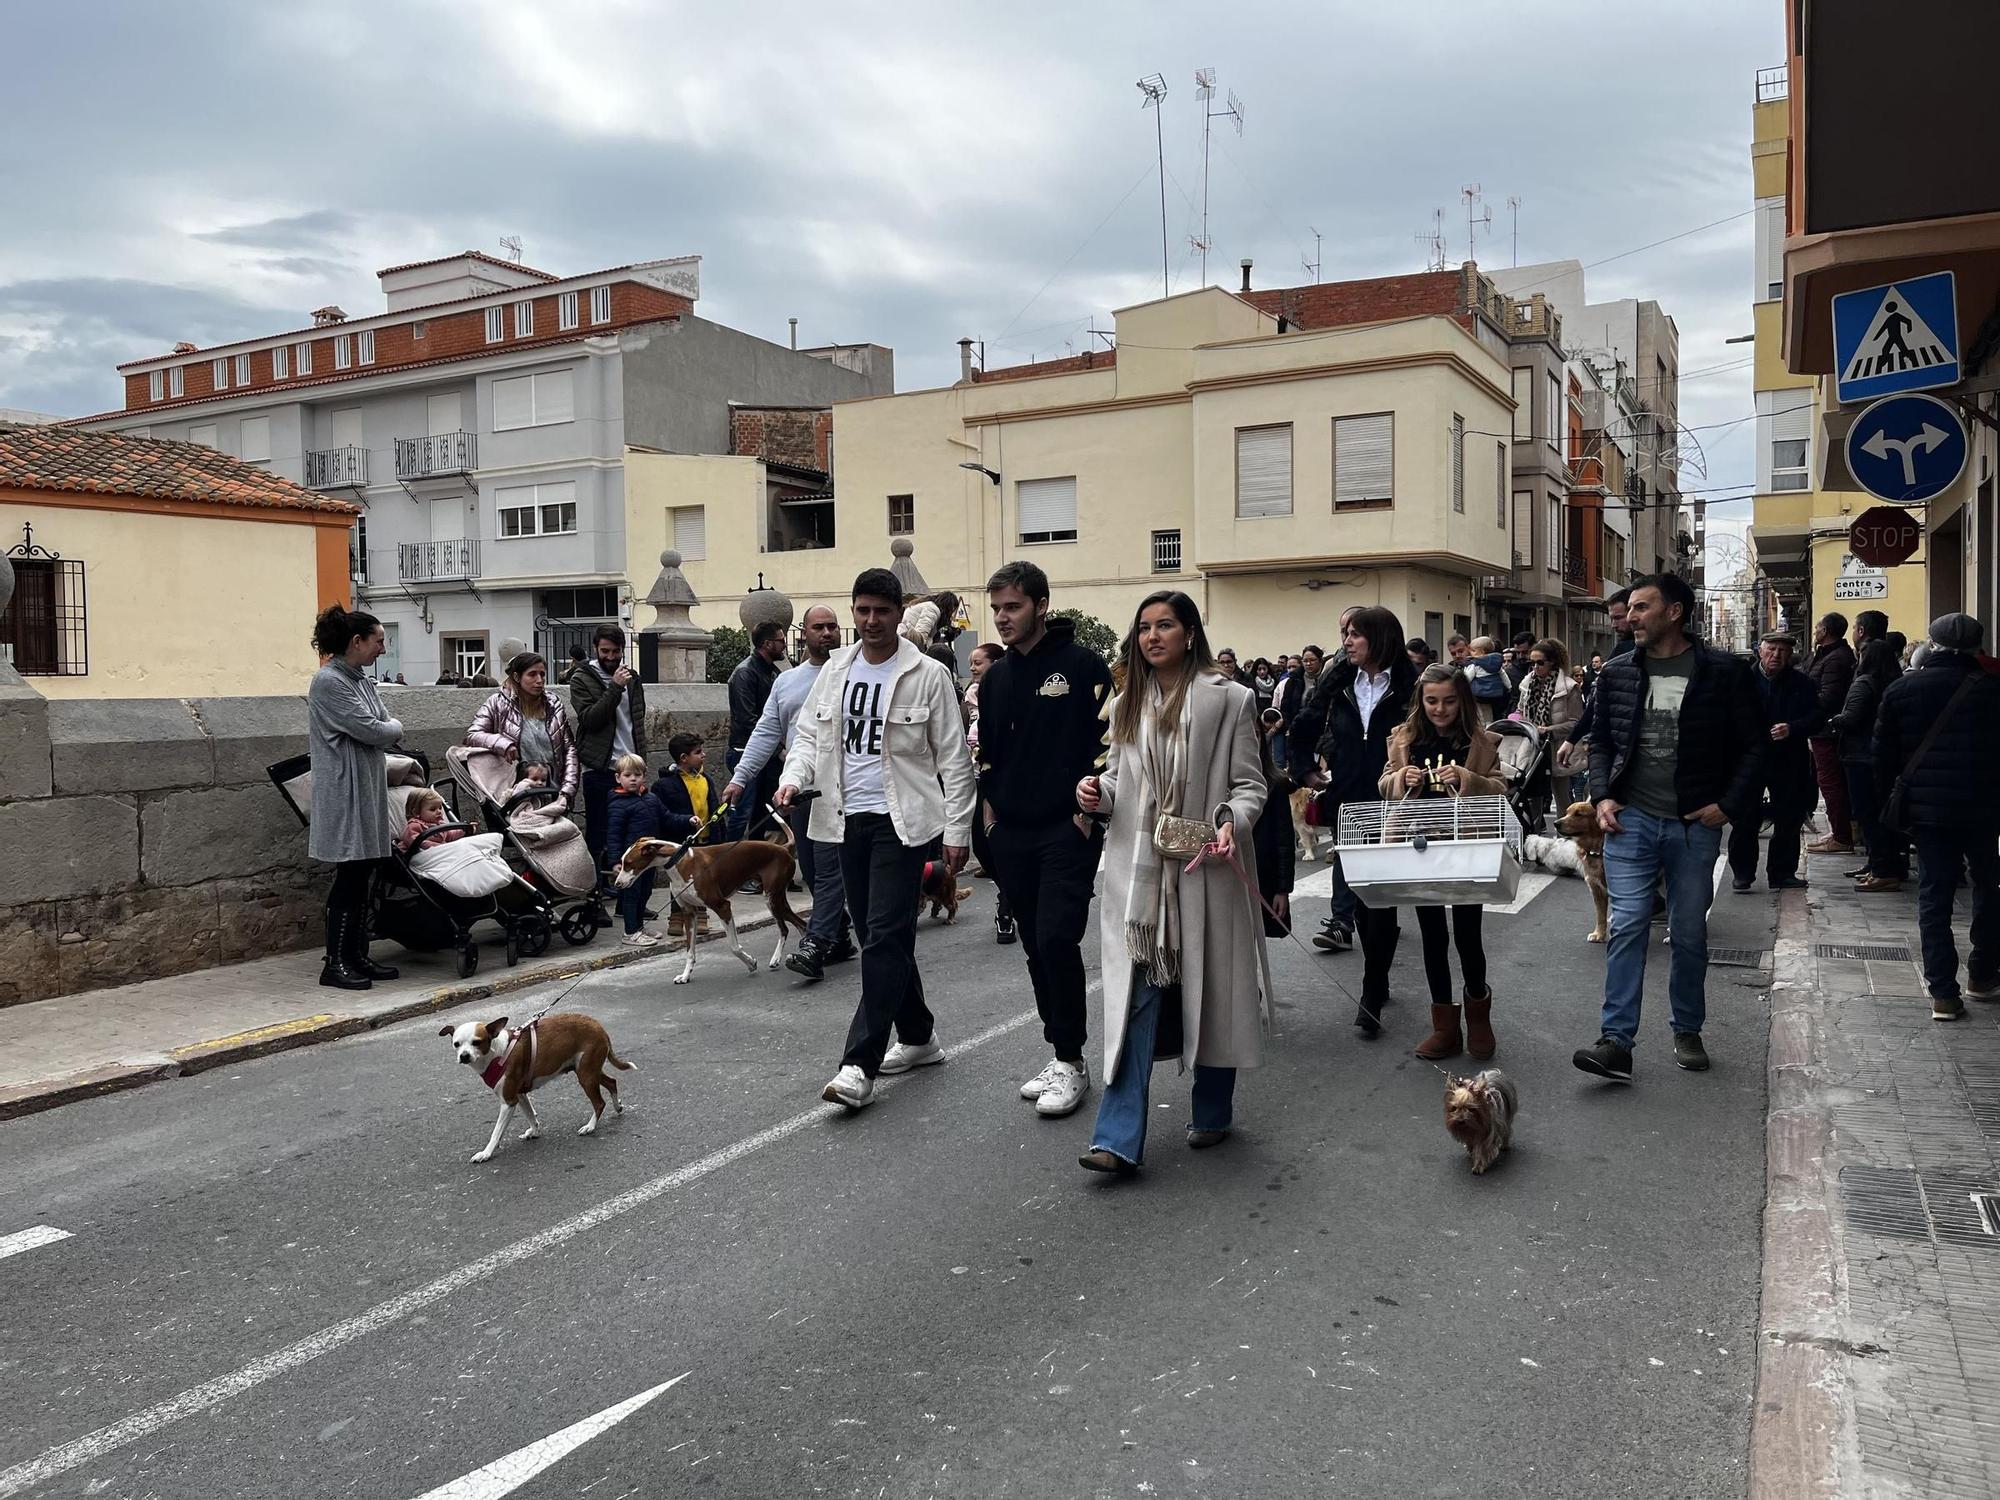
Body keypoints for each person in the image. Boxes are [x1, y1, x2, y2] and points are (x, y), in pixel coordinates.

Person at [1074, 590, 1270, 1173]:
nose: (1152, 637)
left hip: (1204, 864)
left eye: (1165, 626)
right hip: (1141, 876)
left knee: (1212, 990)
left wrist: (1233, 821)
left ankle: (1211, 1109)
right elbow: (1118, 781)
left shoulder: (1231, 698)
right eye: (1143, 629)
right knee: (1138, 996)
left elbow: (1250, 785)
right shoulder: (1127, 699)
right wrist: (1097, 794)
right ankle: (1116, 1137)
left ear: (1190, 632)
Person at [777, 568, 977, 1111]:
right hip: (842, 821)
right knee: (875, 937)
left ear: (899, 614)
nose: (870, 622)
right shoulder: (834, 670)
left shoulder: (927, 674)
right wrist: (792, 778)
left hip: (903, 823)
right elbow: (808, 736)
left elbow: (955, 760)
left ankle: (857, 1065)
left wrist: (959, 830)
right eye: (861, 611)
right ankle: (918, 1037)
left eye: (881, 612)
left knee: (886, 936)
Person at [1575, 575, 1762, 1082]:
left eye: (1641, 607)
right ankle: (1615, 1042)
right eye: (1629, 609)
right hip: (1630, 821)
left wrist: (1729, 804)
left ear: (1675, 612)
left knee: (1686, 933)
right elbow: (1602, 743)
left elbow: (1754, 745)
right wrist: (1603, 795)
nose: (1630, 617)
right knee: (1628, 924)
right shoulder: (1617, 673)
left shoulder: (1724, 672)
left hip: (1693, 826)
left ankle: (1687, 1028)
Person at [975, 561, 1116, 1117]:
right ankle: (1062, 1055)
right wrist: (989, 817)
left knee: (1058, 937)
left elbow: (1109, 742)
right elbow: (987, 755)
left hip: (1068, 828)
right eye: (997, 610)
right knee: (1035, 943)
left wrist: (1090, 805)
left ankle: (1074, 1061)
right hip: (1010, 832)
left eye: (1012, 607)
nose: (1003, 618)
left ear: (1040, 605)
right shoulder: (996, 678)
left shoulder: (1083, 667)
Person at [1872, 613, 2000, 1021]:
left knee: (1935, 895)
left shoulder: (1902, 690)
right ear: (1978, 647)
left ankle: (1943, 993)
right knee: (1988, 886)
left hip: (1928, 813)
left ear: (1933, 645)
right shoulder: (1994, 690)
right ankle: (1982, 973)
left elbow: (1882, 758)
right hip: (1985, 808)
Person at [1380, 663, 1504, 1059]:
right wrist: (1402, 779)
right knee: (1433, 937)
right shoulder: (1404, 738)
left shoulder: (1480, 741)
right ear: (1421, 701)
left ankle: (1479, 1017)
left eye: (1449, 701)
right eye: (1432, 701)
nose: (1440, 709)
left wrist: (1468, 778)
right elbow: (1384, 783)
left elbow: (1500, 788)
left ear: (1462, 701)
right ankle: (1444, 1027)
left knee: (1469, 935)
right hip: (1418, 848)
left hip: (1467, 847)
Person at [726, 605, 855, 980]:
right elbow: (766, 732)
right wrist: (740, 778)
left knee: (830, 871)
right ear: (804, 634)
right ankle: (841, 935)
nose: (827, 632)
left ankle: (816, 942)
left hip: (841, 792)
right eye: (819, 627)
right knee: (813, 871)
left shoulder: (853, 675)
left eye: (833, 626)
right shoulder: (787, 682)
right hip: (798, 792)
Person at [1315, 606, 1417, 1034]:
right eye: (1345, 634)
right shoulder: (1339, 679)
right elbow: (1319, 722)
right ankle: (1380, 971)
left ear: (1378, 638)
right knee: (1358, 893)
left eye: (1355, 634)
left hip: (1391, 800)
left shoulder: (1410, 684)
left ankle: (1371, 989)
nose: (1347, 641)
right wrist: (1324, 761)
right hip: (1348, 799)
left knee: (1382, 898)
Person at [307, 606, 404, 991]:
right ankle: (335, 962)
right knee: (349, 875)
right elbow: (375, 728)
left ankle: (357, 954)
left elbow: (381, 723)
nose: (383, 648)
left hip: (365, 785)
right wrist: (389, 727)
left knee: (365, 873)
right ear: (356, 642)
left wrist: (386, 727)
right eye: (378, 640)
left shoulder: (359, 680)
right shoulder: (329, 682)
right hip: (345, 789)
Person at [1729, 633, 1823, 893]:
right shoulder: (1742, 680)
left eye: (1783, 650)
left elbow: (1817, 717)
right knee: (1745, 816)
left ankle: (1782, 873)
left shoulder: (1802, 683)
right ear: (1760, 650)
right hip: (1749, 757)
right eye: (1771, 649)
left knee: (1789, 817)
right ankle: (1743, 873)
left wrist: (1793, 728)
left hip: (1788, 757)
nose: (1777, 655)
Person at [568, 624, 647, 892]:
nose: (611, 657)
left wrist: (640, 760)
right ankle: (596, 890)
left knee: (631, 833)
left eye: (616, 652)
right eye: (605, 651)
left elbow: (637, 721)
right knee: (600, 831)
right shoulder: (582, 678)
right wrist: (613, 688)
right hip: (600, 768)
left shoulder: (633, 678)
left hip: (630, 767)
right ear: (595, 649)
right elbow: (590, 719)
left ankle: (628, 893)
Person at [1832, 637, 1908, 892]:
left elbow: (1851, 718)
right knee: (1884, 813)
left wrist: (1833, 722)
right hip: (1888, 757)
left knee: (1867, 814)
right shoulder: (1897, 683)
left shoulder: (1863, 683)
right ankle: (1884, 865)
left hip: (1860, 756)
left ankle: (1882, 869)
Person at [466, 651, 580, 810]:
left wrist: (567, 791)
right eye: (532, 674)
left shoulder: (554, 704)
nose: (539, 680)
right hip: (517, 796)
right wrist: (504, 744)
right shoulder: (497, 703)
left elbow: (569, 750)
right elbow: (473, 734)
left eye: (542, 674)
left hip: (553, 793)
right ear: (517, 677)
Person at [963, 640, 1016, 942]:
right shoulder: (971, 695)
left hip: (1004, 776)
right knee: (981, 846)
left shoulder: (1010, 689)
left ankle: (1007, 906)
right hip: (976, 777)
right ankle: (1009, 891)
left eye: (978, 662)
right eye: (970, 662)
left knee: (1002, 840)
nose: (972, 667)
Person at [725, 620, 788, 842]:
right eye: (781, 641)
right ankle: (730, 867)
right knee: (742, 814)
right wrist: (778, 749)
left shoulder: (773, 672)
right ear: (767, 643)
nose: (785, 645)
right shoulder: (745, 673)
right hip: (745, 751)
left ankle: (755, 864)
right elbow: (747, 721)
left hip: (767, 752)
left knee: (762, 812)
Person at [1804, 612, 1857, 855]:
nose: (1815, 631)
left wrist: (1801, 702)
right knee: (1830, 782)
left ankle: (1842, 837)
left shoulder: (1835, 659)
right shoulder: (1826, 655)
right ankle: (1840, 831)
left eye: (1817, 628)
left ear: (1825, 631)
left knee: (1831, 783)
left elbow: (1829, 697)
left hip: (1827, 730)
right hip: (1822, 728)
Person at [605, 753, 672, 947]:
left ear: (644, 776)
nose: (633, 779)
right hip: (631, 861)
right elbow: (614, 835)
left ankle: (640, 927)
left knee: (645, 892)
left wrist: (687, 820)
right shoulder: (618, 805)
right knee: (631, 895)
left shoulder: (651, 798)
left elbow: (667, 817)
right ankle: (630, 931)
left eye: (637, 774)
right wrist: (616, 861)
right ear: (618, 778)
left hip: (649, 858)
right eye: (627, 775)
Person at [1519, 638, 1580, 809]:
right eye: (1532, 663)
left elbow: (1576, 724)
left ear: (1552, 662)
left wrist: (1548, 730)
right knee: (1531, 795)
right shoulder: (1527, 684)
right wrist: (1517, 721)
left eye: (1540, 663)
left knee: (1561, 797)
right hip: (1532, 746)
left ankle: (1566, 833)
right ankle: (1534, 833)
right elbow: (1520, 710)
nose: (1535, 667)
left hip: (1556, 748)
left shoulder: (1569, 687)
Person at [1252, 708, 1296, 939]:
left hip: (1264, 879)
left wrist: (1283, 889)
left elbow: (1284, 840)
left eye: (1256, 735)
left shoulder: (1275, 783)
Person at [652, 732, 728, 846]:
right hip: (682, 845)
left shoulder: (706, 779)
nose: (703, 755)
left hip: (710, 843)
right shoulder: (663, 786)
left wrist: (721, 838)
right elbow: (662, 819)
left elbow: (715, 811)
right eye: (698, 752)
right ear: (683, 757)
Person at [399, 787, 464, 854]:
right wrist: (441, 847)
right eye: (433, 809)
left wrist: (463, 831)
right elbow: (417, 843)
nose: (439, 811)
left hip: (439, 853)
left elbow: (449, 835)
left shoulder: (440, 824)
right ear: (416, 812)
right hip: (417, 856)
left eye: (440, 808)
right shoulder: (413, 826)